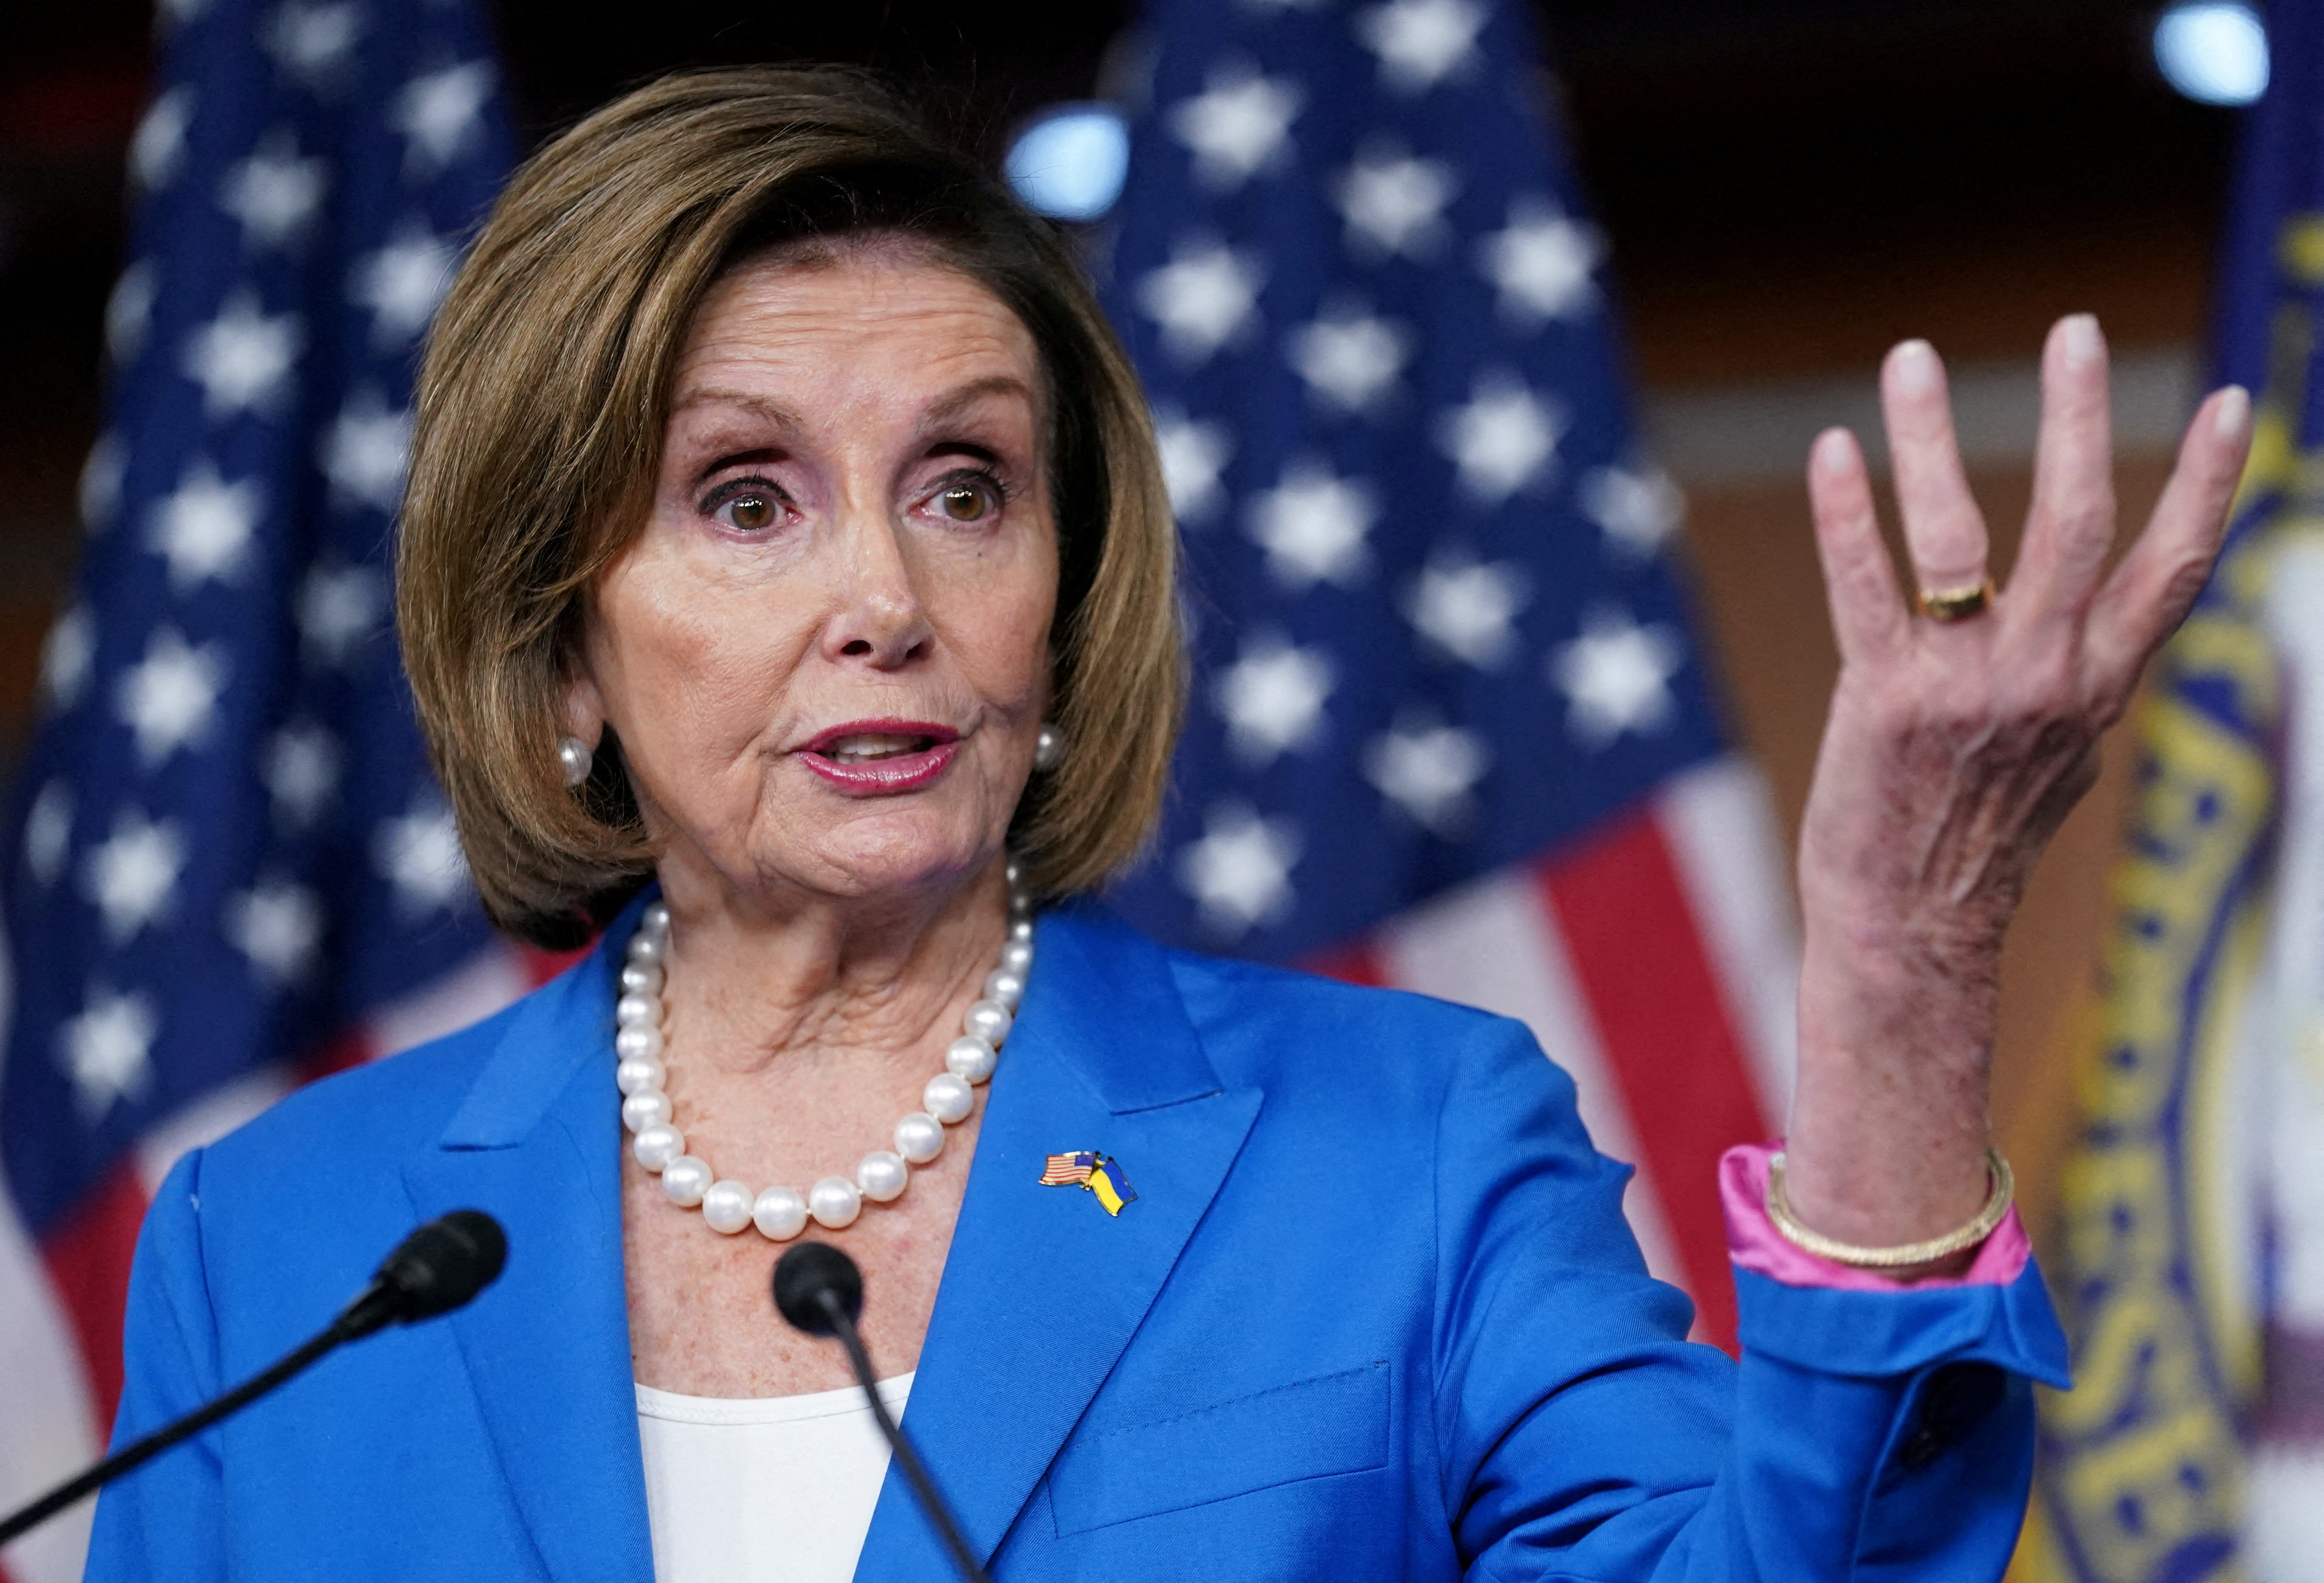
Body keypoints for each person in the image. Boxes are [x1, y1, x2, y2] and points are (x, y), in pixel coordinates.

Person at [82, 67, 2248, 1583]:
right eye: (745, 499)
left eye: (967, 488)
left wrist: (1899, 959)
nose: (886, 599)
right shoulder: (278, 1248)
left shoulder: (1401, 1155)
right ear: (560, 649)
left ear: (1063, 596)